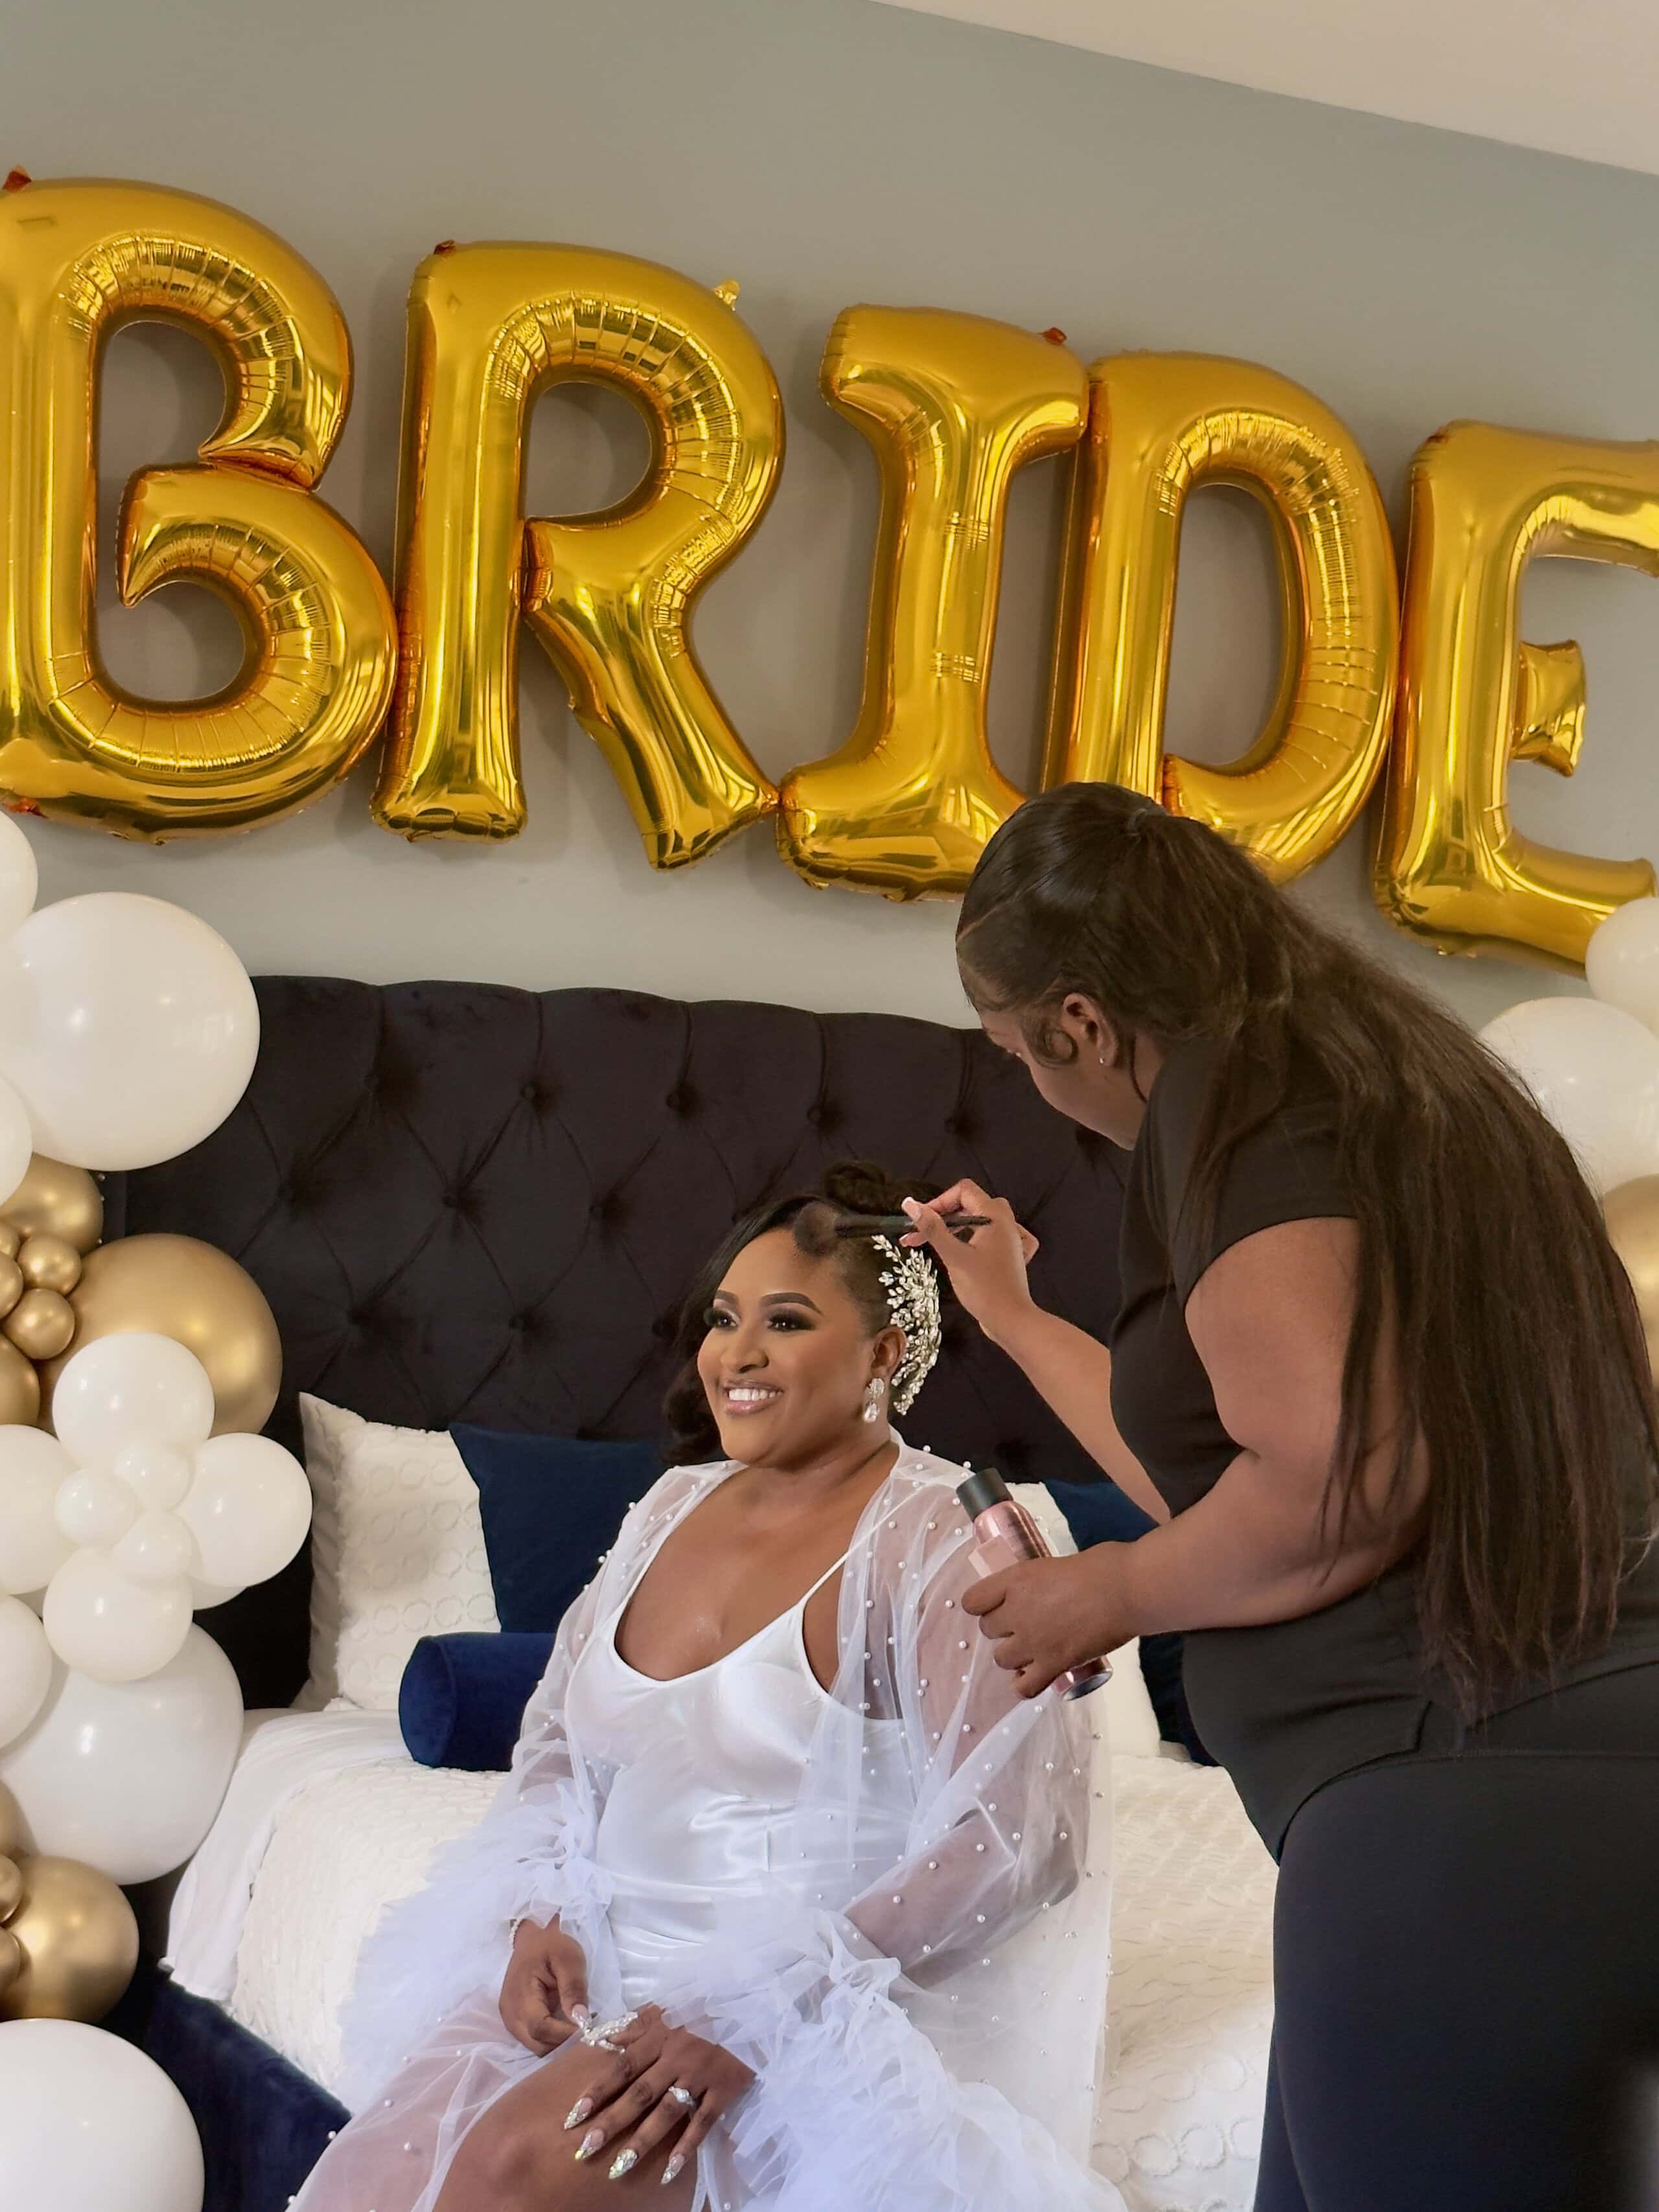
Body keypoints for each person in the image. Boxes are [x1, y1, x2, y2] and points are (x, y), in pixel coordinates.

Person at [901, 780, 1659, 2212]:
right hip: (1572, 1774)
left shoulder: (1238, 1098)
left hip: (1456, 1820)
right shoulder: (1404, 1074)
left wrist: (1102, 1591)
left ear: (1078, 1022)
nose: (1035, 1089)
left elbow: (1336, 1479)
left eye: (1014, 1054)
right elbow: (1242, 1486)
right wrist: (1007, 1315)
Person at [290, 1165, 1121, 2212]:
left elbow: (1023, 1839)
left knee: (507, 2169)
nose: (738, 1351)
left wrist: (765, 2004)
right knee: (369, 2177)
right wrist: (537, 1912)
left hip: (799, 2008)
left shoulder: (938, 1538)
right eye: (725, 1317)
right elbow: (558, 1742)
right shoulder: (670, 1505)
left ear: (884, 1354)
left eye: (786, 1319)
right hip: (595, 1965)